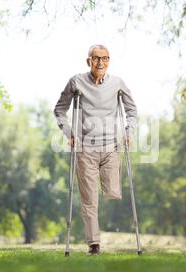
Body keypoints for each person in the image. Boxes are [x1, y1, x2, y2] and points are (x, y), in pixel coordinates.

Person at [53, 44, 138, 255]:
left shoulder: (118, 83)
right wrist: (69, 133)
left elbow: (132, 110)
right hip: (85, 149)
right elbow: (59, 110)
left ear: (109, 60)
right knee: (89, 199)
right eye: (96, 58)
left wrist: (130, 132)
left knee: (112, 193)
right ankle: (94, 244)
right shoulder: (76, 82)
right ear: (88, 61)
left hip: (111, 148)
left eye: (105, 58)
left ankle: (109, 227)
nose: (101, 62)